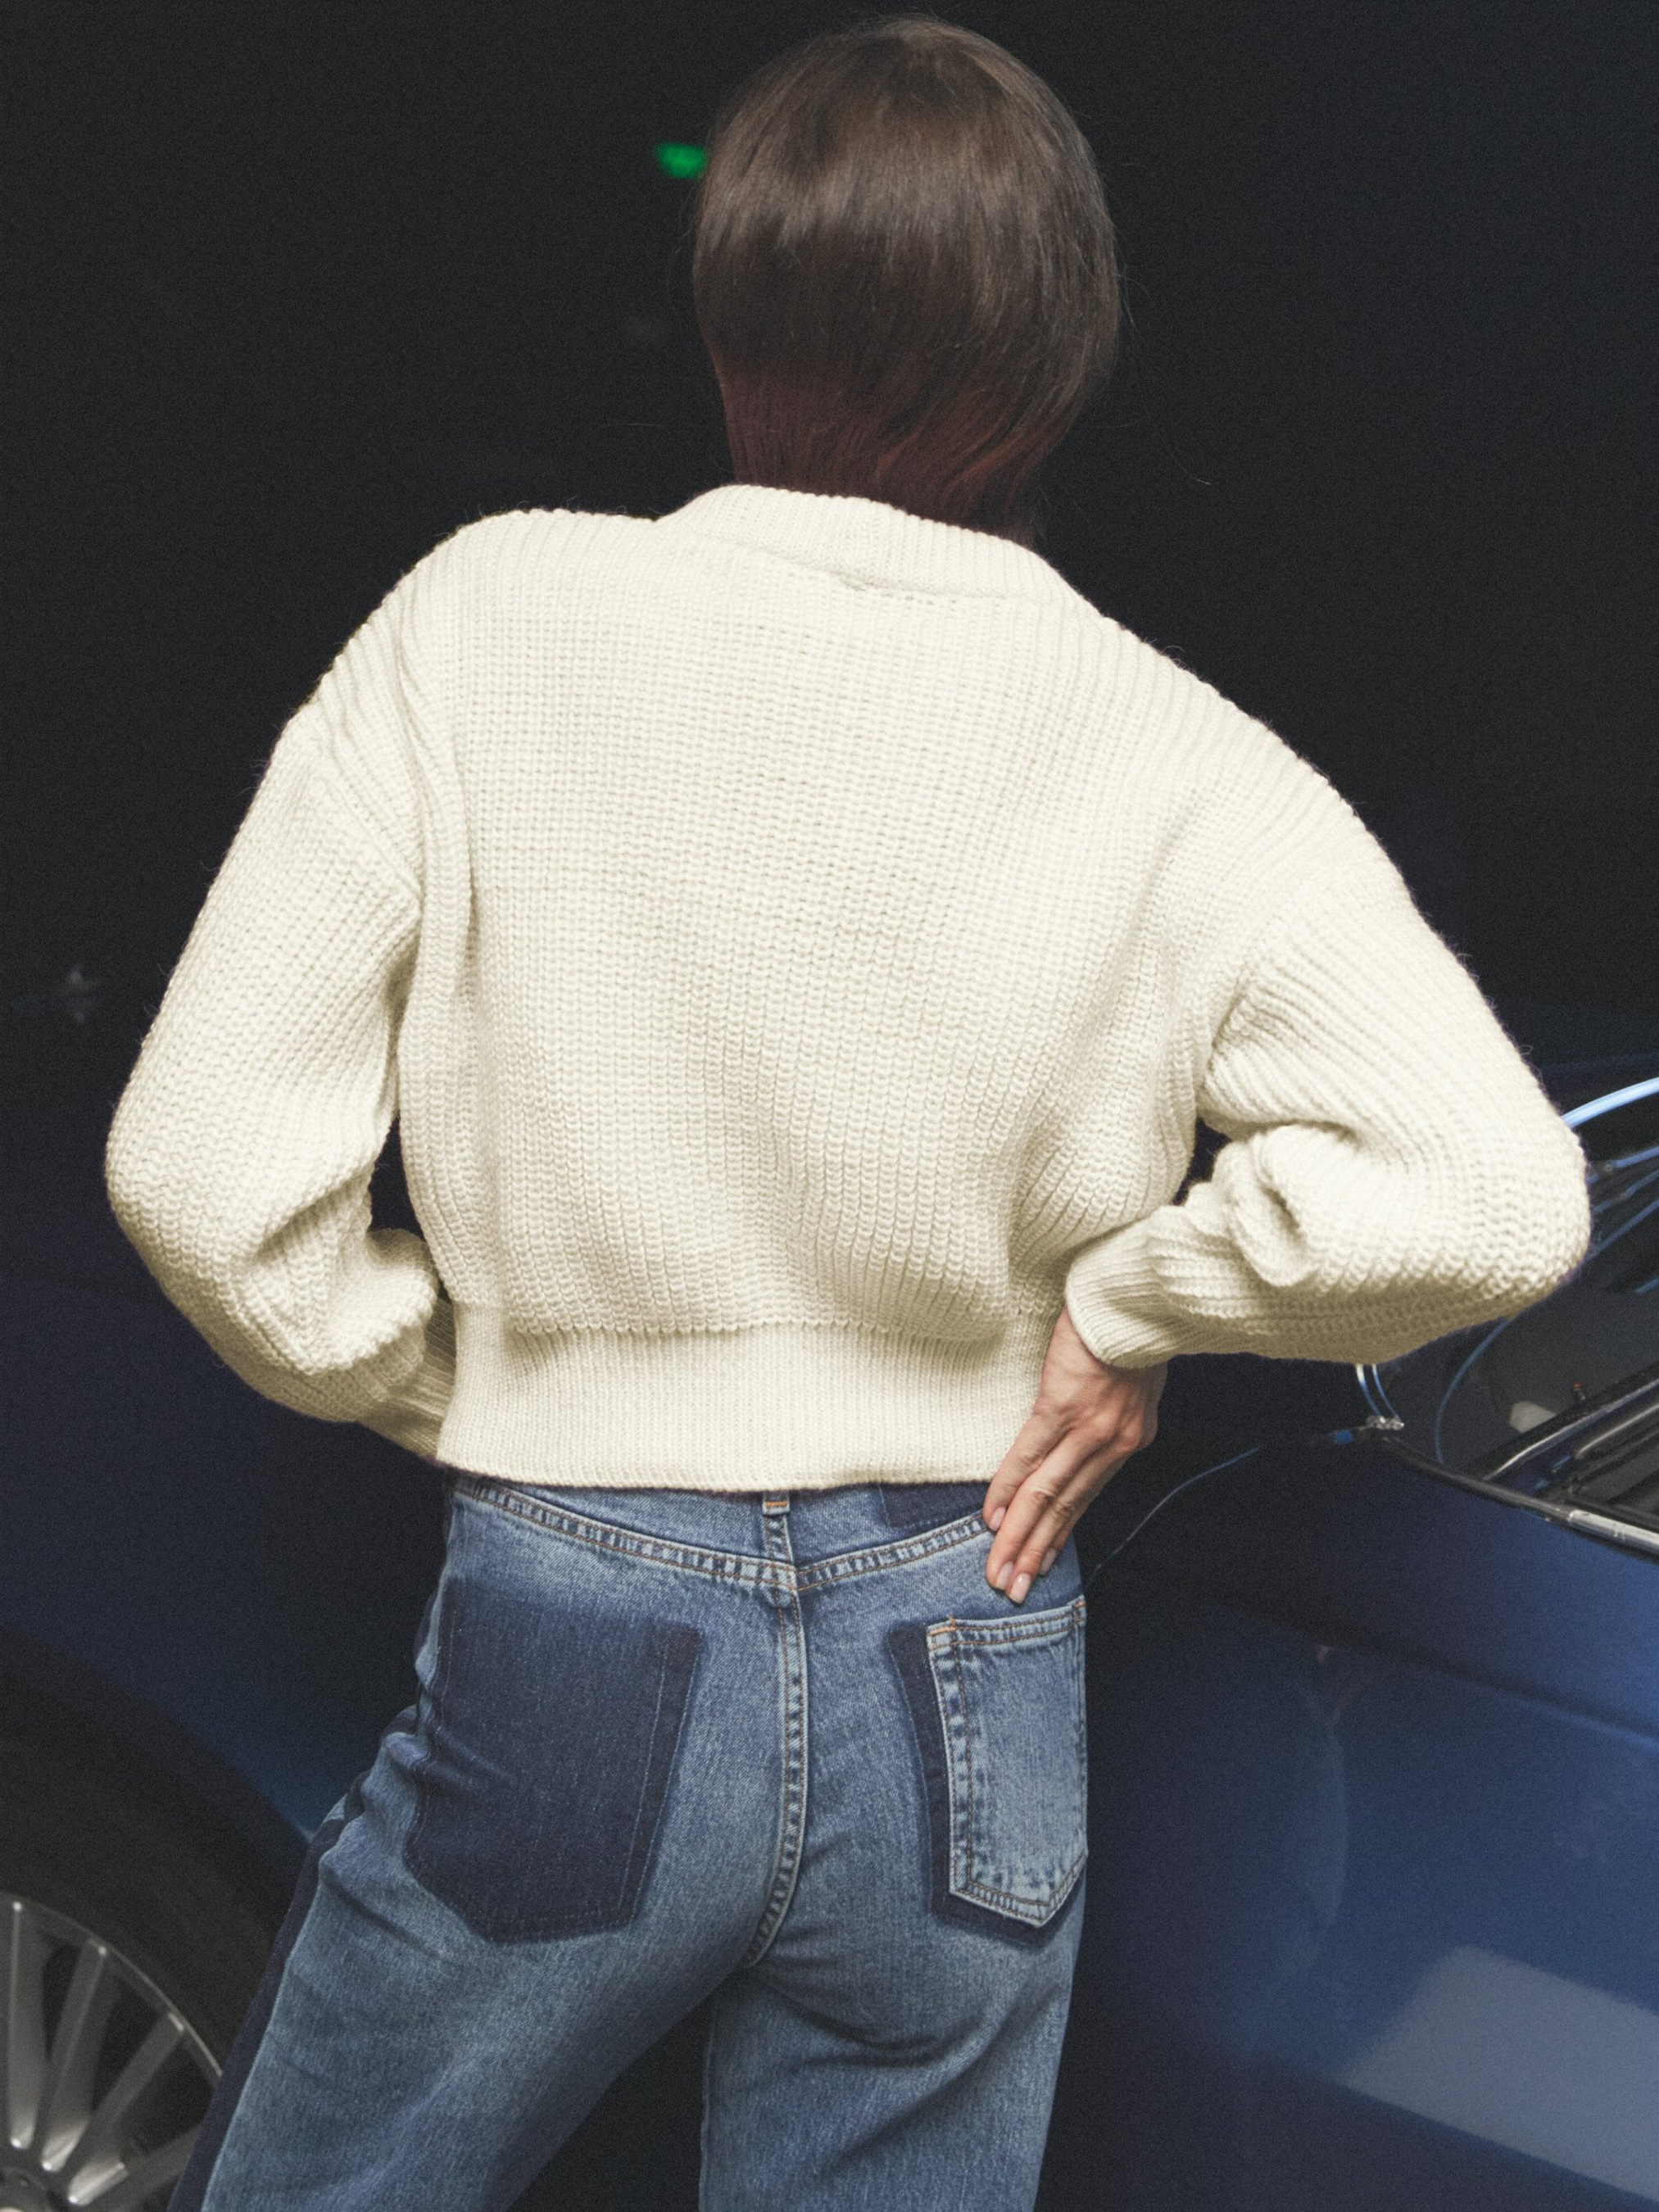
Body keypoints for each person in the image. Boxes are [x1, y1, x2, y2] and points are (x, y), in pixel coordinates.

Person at [102, 14, 1590, 2210]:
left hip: (581, 1617)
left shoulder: (491, 619)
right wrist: (1133, 1309)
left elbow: (198, 1172)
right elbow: (1491, 1191)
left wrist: (456, 1373)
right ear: (1057, 365)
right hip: (969, 1620)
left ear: (732, 321)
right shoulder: (1168, 746)